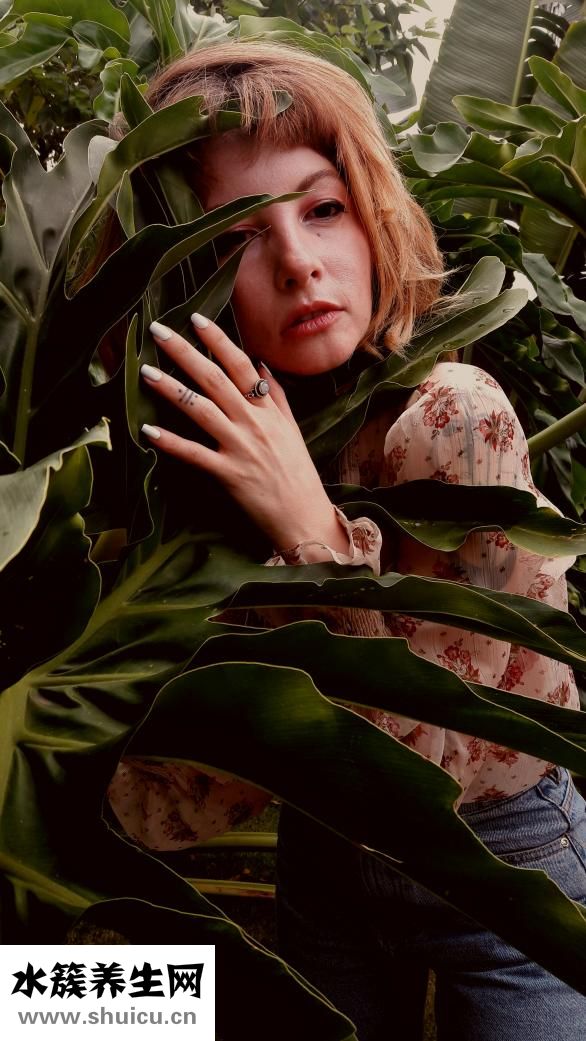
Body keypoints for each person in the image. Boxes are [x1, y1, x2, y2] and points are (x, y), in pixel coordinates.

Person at [105, 40, 586, 1040]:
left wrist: (308, 531)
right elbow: (205, 788)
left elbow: (429, 781)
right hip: (327, 860)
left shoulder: (451, 415)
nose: (297, 262)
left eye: (322, 208)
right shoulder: (196, 462)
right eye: (237, 237)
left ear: (371, 213)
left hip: (505, 862)